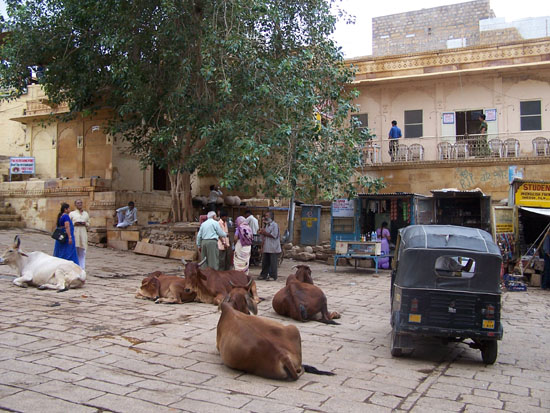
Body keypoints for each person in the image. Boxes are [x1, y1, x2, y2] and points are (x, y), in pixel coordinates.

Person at [258, 211, 281, 281]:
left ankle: (273, 276)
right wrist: (261, 232)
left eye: (267, 216)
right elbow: (263, 236)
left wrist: (264, 233)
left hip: (273, 247)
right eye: (265, 216)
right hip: (266, 247)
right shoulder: (266, 225)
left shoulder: (275, 225)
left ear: (271, 217)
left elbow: (274, 235)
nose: (265, 217)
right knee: (265, 262)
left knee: (273, 263)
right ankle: (263, 275)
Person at [69, 199, 90, 269]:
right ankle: (75, 267)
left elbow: (89, 223)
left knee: (82, 251)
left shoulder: (86, 213)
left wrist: (85, 223)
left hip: (83, 233)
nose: (80, 204)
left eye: (81, 203)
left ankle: (82, 268)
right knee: (74, 250)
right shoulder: (72, 214)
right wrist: (74, 223)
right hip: (75, 233)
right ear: (75, 204)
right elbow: (68, 224)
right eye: (78, 203)